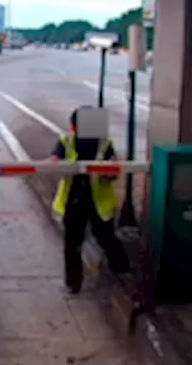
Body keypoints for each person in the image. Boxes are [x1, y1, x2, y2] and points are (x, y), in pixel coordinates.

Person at [50, 106, 132, 294]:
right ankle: (73, 284)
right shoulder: (66, 141)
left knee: (105, 237)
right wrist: (54, 163)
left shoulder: (104, 143)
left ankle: (122, 268)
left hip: (98, 202)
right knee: (73, 243)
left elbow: (113, 172)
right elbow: (53, 160)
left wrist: (108, 172)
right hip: (73, 200)